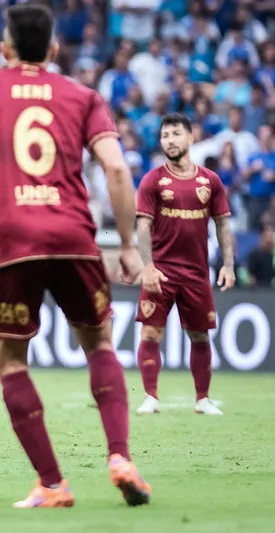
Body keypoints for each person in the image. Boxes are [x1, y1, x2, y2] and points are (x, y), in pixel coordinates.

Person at [0, 4, 149, 508]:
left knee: (10, 360)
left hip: (10, 241)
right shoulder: (83, 96)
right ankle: (120, 458)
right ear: (54, 48)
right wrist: (128, 246)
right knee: (100, 345)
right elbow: (116, 169)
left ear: (3, 47)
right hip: (74, 236)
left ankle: (52, 484)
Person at [135, 114, 235, 417]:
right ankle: (150, 397)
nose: (170, 140)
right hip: (161, 271)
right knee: (150, 334)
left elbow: (222, 224)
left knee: (200, 335)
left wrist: (228, 264)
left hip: (196, 273)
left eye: (176, 134)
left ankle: (203, 399)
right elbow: (143, 226)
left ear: (191, 137)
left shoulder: (210, 180)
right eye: (165, 135)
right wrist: (147, 266)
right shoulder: (152, 180)